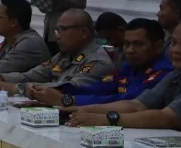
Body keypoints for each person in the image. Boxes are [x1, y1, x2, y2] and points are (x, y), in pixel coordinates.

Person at [66, 16, 181, 132]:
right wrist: (75, 109)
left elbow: (166, 118)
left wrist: (105, 119)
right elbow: (136, 105)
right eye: (174, 43)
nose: (176, 50)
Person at [27, 17, 172, 110]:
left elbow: (126, 100)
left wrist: (67, 100)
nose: (130, 50)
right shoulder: (129, 67)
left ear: (158, 46)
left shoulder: (164, 72)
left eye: (138, 44)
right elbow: (99, 88)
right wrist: (55, 91)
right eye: (126, 44)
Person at [0, 9, 114, 93]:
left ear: (84, 32)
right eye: (57, 30)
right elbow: (37, 74)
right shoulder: (63, 55)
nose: (57, 36)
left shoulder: (98, 61)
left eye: (63, 29)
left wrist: (19, 88)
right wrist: (3, 77)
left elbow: (68, 88)